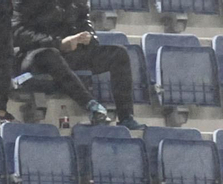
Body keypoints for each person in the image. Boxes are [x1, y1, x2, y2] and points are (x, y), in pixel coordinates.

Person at [11, 0, 141, 128]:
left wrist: (87, 37)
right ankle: (91, 105)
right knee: (50, 54)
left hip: (69, 53)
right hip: (33, 55)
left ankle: (126, 117)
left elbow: (85, 22)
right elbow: (16, 32)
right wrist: (59, 43)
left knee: (119, 54)